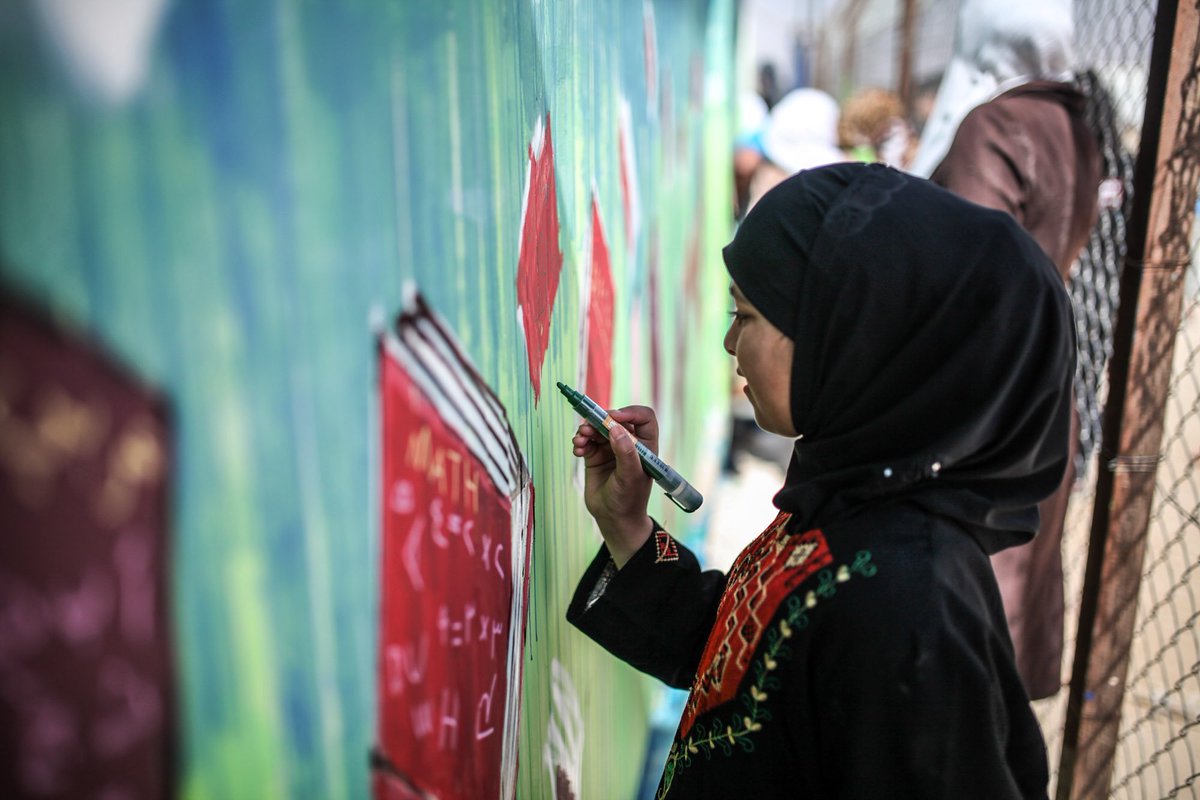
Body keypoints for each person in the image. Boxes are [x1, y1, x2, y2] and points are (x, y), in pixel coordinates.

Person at [566, 162, 1073, 798]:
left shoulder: (908, 615)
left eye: (745, 315)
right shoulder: (847, 503)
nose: (728, 342)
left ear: (851, 339)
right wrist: (628, 529)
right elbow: (753, 664)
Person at [914, 0, 1100, 701]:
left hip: (975, 407)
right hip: (1046, 393)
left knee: (955, 627)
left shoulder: (991, 123)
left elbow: (972, 279)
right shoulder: (1074, 126)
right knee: (1007, 615)